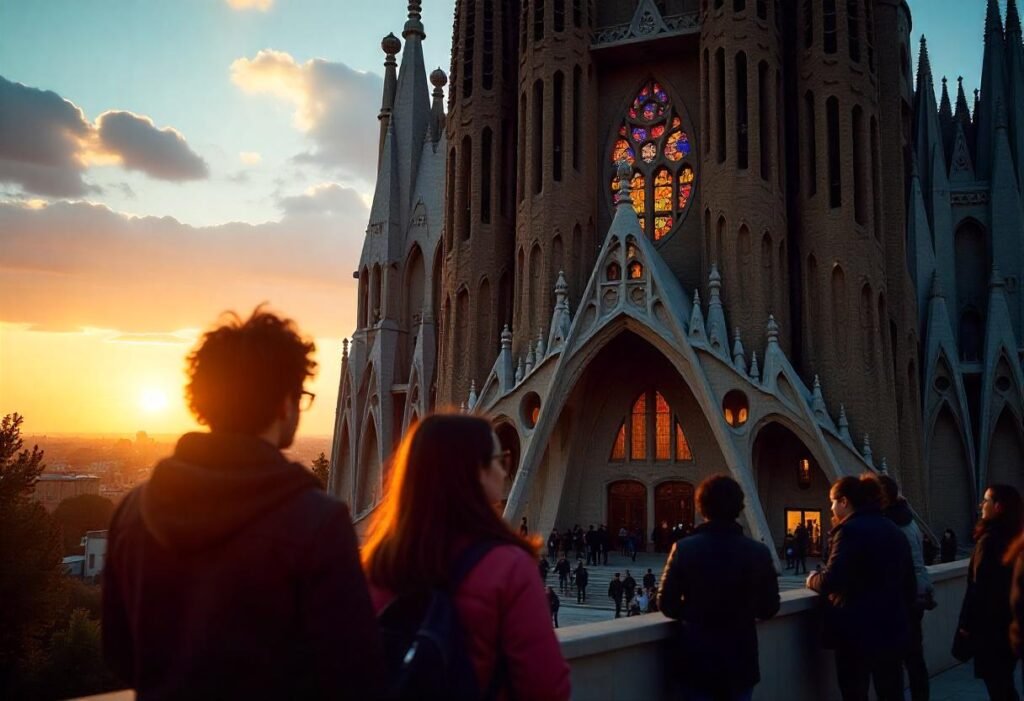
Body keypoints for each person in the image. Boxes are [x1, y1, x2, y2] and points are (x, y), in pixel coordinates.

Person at [102, 308, 385, 699]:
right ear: (285, 403)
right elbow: (355, 672)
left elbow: (119, 654)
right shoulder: (317, 523)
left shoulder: (133, 511)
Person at [361, 414, 571, 701]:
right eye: (501, 460)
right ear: (477, 472)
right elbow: (546, 687)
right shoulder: (508, 568)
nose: (504, 471)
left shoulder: (375, 566)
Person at [659, 474, 780, 701]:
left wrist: (697, 612)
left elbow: (666, 603)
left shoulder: (684, 549)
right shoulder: (758, 553)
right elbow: (770, 607)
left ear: (701, 508)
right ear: (739, 507)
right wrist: (739, 612)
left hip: (696, 661)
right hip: (740, 662)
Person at [806, 476, 915, 701]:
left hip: (856, 634)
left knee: (855, 692)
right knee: (891, 692)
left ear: (844, 501)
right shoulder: (894, 531)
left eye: (833, 501)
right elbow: (909, 585)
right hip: (892, 630)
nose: (831, 507)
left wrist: (813, 579)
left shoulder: (849, 531)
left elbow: (831, 580)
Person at [957, 485, 1023, 700]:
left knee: (998, 686)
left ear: (998, 507)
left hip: (991, 629)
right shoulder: (1015, 538)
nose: (981, 505)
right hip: (1010, 626)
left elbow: (978, 588)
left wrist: (966, 626)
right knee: (1005, 683)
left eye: (986, 500)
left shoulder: (989, 541)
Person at [874, 474, 934, 701]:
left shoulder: (890, 524)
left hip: (900, 599)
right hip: (917, 594)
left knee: (894, 663)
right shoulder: (908, 519)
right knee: (914, 658)